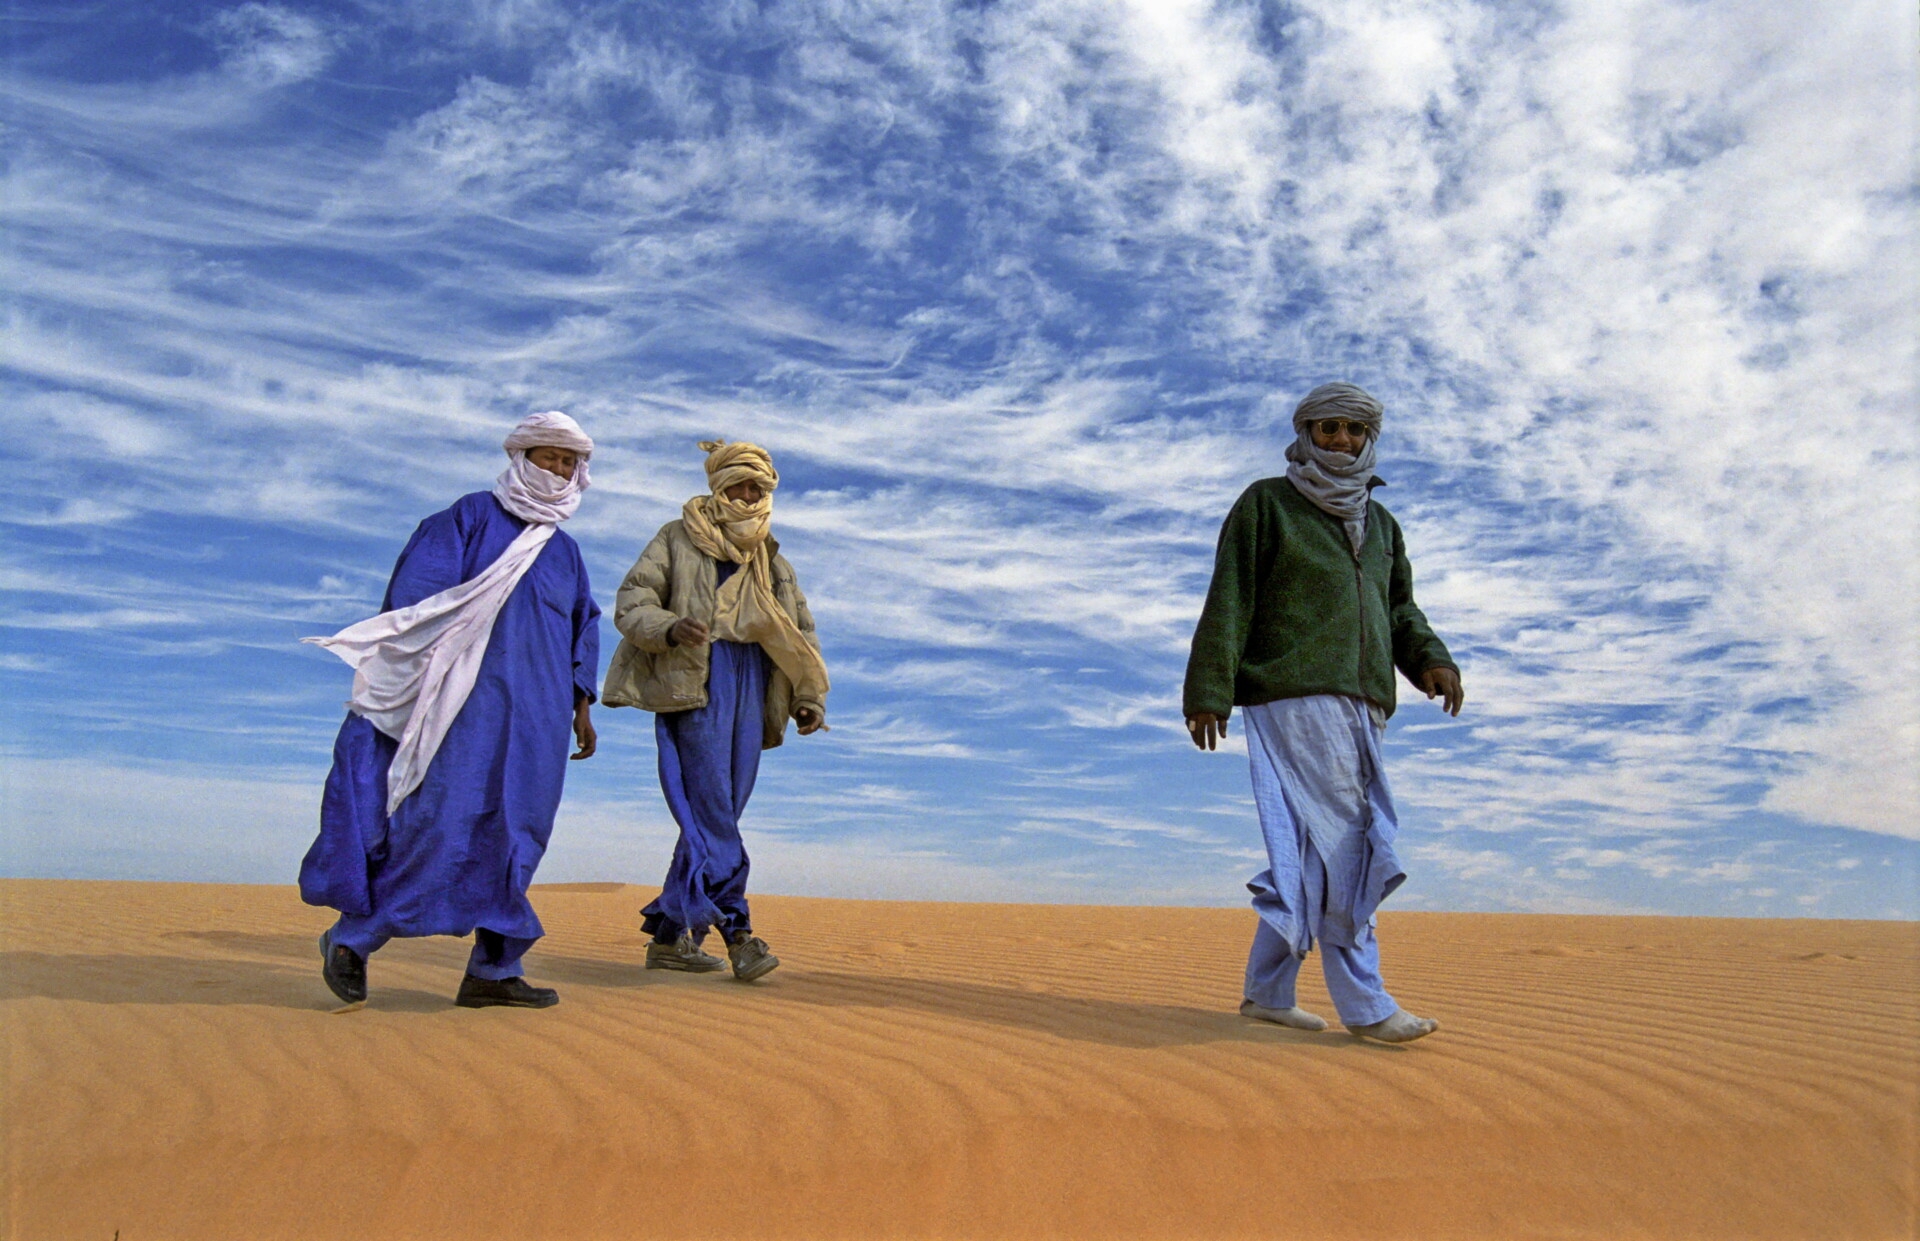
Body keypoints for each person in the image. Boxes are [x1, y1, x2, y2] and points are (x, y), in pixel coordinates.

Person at [1183, 383, 1463, 1043]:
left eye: (1353, 430)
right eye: (1328, 427)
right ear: (1305, 432)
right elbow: (1231, 597)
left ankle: (1267, 991)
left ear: (1370, 439)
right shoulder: (1268, 505)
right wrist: (1208, 687)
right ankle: (1366, 1004)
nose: (1341, 440)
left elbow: (1399, 611)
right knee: (1351, 842)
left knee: (1311, 852)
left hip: (1363, 702)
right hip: (1295, 692)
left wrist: (1430, 658)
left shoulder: (1381, 523)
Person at [299, 412, 601, 1010]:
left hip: (539, 717)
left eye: (571, 462)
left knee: (519, 834)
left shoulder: (564, 553)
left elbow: (583, 626)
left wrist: (582, 703)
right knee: (441, 822)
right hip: (463, 706)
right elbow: (416, 608)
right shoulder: (466, 518)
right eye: (551, 457)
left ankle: (493, 969)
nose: (561, 470)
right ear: (522, 456)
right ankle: (352, 939)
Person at [601, 439, 827, 982]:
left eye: (758, 487)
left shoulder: (772, 558)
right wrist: (670, 627)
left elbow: (799, 631)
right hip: (694, 683)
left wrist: (806, 696)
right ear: (718, 486)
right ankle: (738, 933)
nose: (748, 496)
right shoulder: (677, 538)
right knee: (710, 813)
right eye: (739, 486)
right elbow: (633, 602)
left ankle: (671, 937)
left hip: (752, 688)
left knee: (718, 811)